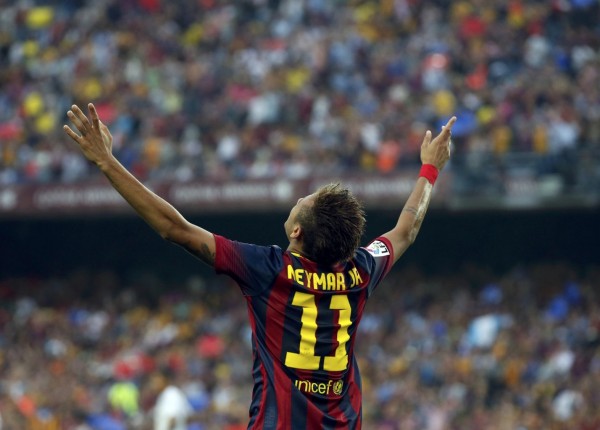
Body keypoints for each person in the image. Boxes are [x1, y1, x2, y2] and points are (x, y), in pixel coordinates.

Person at [64, 104, 455, 429]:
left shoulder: (268, 269)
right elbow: (405, 231)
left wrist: (106, 162)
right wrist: (429, 170)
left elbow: (175, 228)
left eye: (304, 198)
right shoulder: (362, 271)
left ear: (297, 229)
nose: (300, 195)